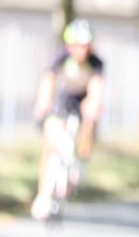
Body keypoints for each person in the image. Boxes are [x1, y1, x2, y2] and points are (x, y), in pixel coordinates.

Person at [30, 19, 104, 220]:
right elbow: (48, 80)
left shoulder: (96, 63)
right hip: (63, 100)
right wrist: (43, 102)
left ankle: (81, 159)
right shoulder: (61, 58)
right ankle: (43, 195)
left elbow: (96, 89)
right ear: (70, 45)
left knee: (91, 117)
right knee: (51, 141)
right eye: (79, 46)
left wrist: (92, 107)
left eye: (86, 46)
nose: (83, 50)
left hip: (82, 100)